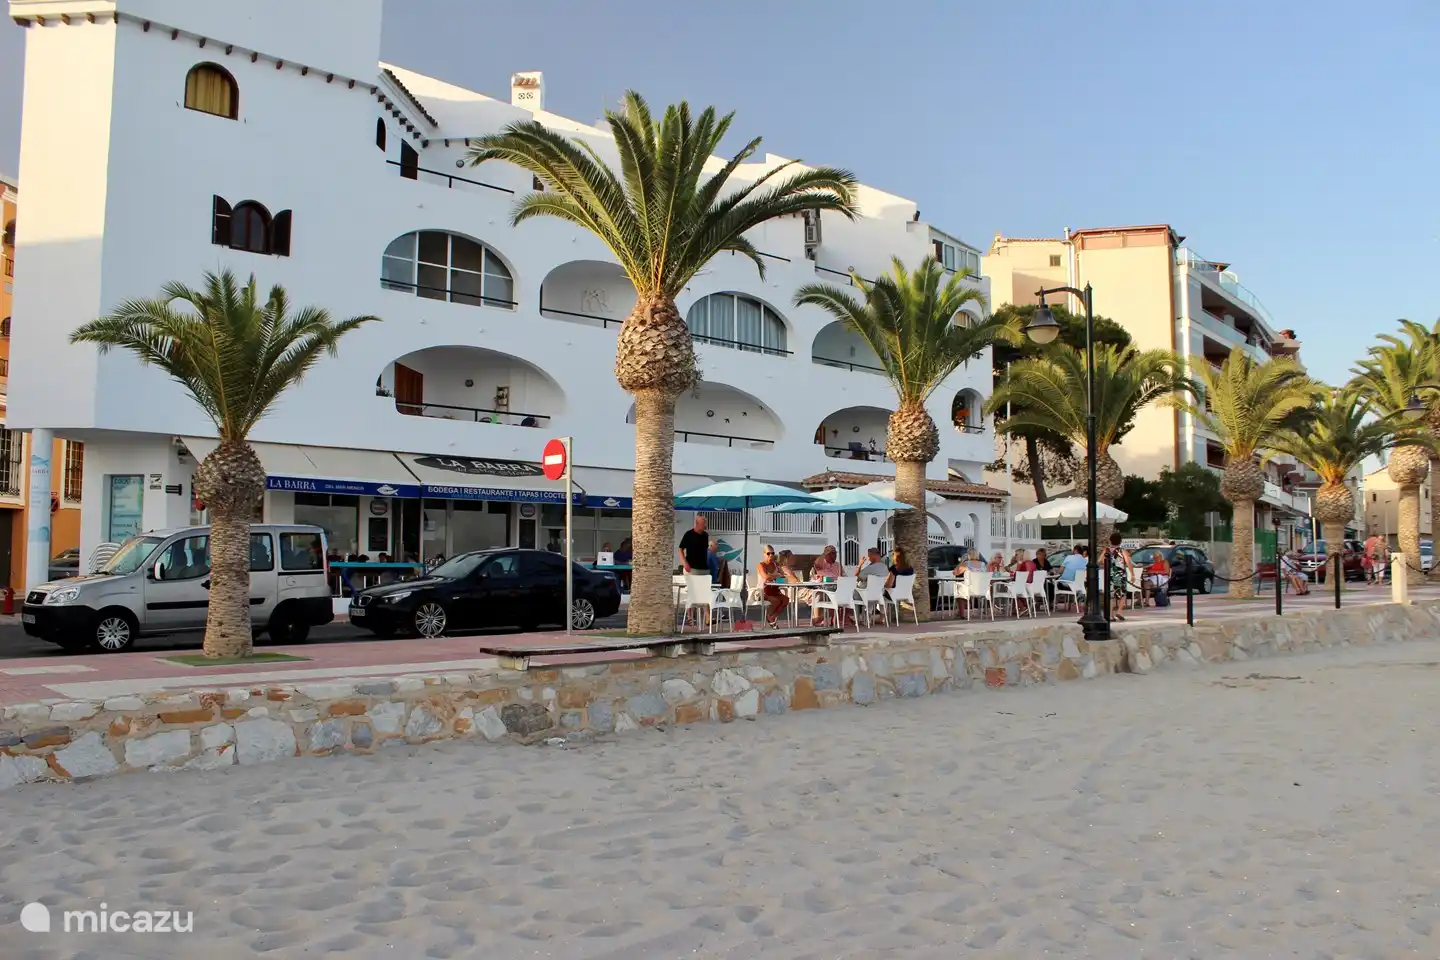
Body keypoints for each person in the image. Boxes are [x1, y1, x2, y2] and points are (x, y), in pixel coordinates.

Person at [810, 545, 846, 626]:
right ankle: (820, 619)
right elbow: (816, 564)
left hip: (837, 588)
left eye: (835, 553)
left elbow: (844, 576)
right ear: (826, 555)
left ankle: (823, 619)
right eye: (832, 553)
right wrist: (824, 553)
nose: (835, 555)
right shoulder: (821, 563)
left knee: (841, 597)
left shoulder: (838, 565)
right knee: (819, 596)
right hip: (824, 587)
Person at [756, 545, 789, 627]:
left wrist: (778, 573)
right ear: (764, 554)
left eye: (772, 553)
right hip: (762, 592)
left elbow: (783, 575)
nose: (771, 555)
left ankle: (772, 617)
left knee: (786, 600)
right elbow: (766, 577)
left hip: (774, 590)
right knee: (776, 601)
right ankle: (770, 617)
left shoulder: (775, 565)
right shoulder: (761, 565)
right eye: (768, 553)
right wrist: (777, 574)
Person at [1105, 533, 1132, 619]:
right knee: (1123, 594)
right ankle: (1119, 612)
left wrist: (1110, 564)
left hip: (1111, 575)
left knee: (1112, 595)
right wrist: (1133, 574)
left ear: (1110, 540)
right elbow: (1128, 563)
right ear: (1120, 541)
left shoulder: (1107, 550)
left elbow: (1100, 560)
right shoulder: (1122, 551)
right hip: (1120, 575)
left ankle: (1110, 615)